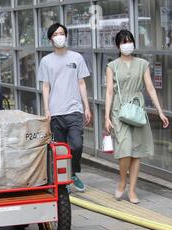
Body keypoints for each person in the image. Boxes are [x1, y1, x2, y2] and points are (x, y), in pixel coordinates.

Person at [105, 30, 169, 204]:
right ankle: (122, 182)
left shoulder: (142, 64)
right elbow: (110, 92)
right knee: (124, 149)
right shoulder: (112, 66)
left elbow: (150, 88)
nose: (128, 44)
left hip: (137, 109)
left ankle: (132, 190)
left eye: (130, 41)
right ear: (118, 45)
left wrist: (160, 111)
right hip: (119, 110)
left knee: (136, 152)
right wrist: (107, 117)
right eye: (124, 42)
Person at [38, 23, 92, 193]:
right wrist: (46, 110)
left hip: (74, 110)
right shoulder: (46, 61)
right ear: (50, 39)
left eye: (62, 33)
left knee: (76, 145)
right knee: (59, 149)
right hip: (56, 112)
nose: (60, 36)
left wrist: (87, 107)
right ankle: (63, 182)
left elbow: (81, 83)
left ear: (66, 36)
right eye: (56, 34)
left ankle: (73, 172)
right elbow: (45, 86)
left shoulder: (76, 58)